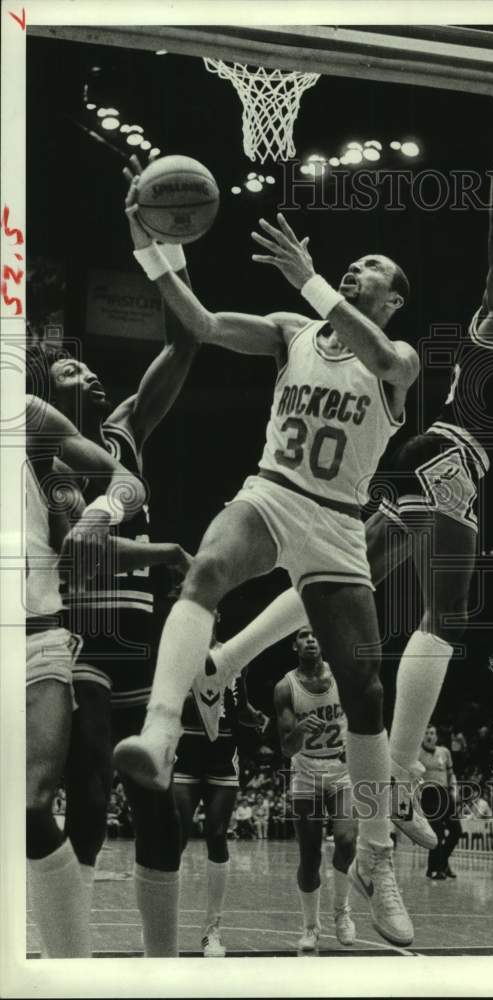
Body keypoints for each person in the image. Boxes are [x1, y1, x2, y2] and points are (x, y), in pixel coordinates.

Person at [184, 93, 493, 853]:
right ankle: (403, 765)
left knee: (352, 572)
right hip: (444, 453)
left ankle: (223, 663)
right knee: (440, 610)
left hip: (453, 464)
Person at [115, 194, 420, 945]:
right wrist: (152, 247)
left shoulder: (401, 362)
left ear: (395, 298)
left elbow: (381, 356)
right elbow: (205, 325)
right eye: (349, 267)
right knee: (206, 571)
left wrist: (311, 277)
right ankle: (160, 732)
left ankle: (376, 860)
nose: (355, 272)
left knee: (366, 687)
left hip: (338, 524)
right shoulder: (294, 332)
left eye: (370, 269)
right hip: (273, 495)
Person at [28, 153, 199, 957]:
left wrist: (160, 244)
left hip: (145, 638)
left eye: (91, 364)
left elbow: (184, 344)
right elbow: (70, 552)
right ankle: (76, 935)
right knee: (91, 770)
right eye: (71, 365)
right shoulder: (31, 456)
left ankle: (163, 959)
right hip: (74, 635)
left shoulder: (125, 431)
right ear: (44, 384)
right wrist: (151, 546)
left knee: (157, 795)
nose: (88, 371)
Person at [25, 393, 145, 957]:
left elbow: (127, 481)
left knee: (33, 803)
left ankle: (71, 969)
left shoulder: (27, 415)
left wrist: (97, 515)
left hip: (38, 636)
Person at [173, 619, 263, 958]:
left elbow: (241, 708)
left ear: (218, 621)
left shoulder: (233, 658)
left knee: (216, 833)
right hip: (186, 754)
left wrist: (254, 723)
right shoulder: (179, 655)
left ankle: (212, 929)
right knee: (176, 835)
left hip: (223, 755)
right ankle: (163, 923)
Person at [274, 626, 356, 951]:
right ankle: (311, 926)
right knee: (309, 859)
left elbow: (364, 714)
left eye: (315, 635)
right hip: (305, 773)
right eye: (304, 635)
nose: (310, 639)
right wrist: (299, 734)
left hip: (342, 771)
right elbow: (286, 749)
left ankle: (342, 912)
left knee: (347, 841)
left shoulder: (343, 674)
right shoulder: (285, 687)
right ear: (294, 644)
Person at [418, 725, 462, 880]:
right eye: (427, 733)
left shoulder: (445, 752)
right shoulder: (417, 753)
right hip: (428, 795)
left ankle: (442, 863)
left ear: (436, 737)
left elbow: (451, 774)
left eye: (432, 733)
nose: (429, 736)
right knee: (437, 833)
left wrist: (454, 791)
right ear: (422, 736)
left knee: (456, 830)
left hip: (445, 794)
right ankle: (434, 869)